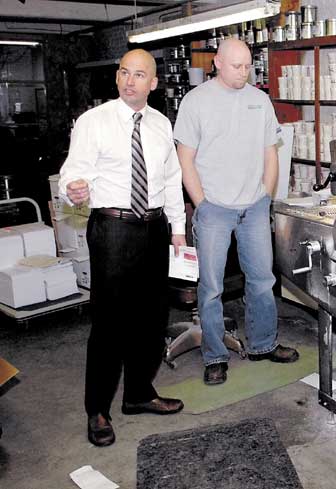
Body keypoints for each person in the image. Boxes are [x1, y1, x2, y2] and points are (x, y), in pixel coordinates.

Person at [59, 49, 186, 447]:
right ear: (117, 77)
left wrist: (178, 230)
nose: (131, 81)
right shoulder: (93, 122)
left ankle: (138, 394)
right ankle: (97, 409)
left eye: (140, 74)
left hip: (155, 228)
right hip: (113, 228)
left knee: (152, 318)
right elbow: (72, 171)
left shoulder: (161, 124)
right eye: (125, 73)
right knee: (109, 323)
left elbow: (171, 179)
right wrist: (72, 188)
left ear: (153, 83)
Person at [174, 39, 298, 386]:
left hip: (254, 207)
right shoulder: (196, 101)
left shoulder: (259, 100)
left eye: (248, 66)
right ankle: (215, 355)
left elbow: (270, 152)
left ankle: (263, 344)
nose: (244, 73)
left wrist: (265, 195)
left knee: (262, 280)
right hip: (213, 208)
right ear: (217, 62)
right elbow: (185, 158)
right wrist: (202, 204)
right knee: (211, 287)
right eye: (236, 66)